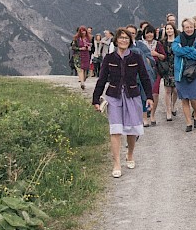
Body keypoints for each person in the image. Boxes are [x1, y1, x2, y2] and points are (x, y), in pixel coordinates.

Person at [91, 28, 152, 178]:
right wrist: (95, 98)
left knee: (131, 130)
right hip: (114, 96)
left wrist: (149, 96)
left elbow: (144, 78)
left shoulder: (136, 57)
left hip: (132, 96)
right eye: (121, 38)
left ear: (130, 41)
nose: (124, 40)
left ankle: (130, 154)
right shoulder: (109, 58)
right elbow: (102, 79)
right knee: (115, 129)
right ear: (116, 40)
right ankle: (116, 163)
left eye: (126, 38)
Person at [173, 18, 196, 132]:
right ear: (183, 28)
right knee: (184, 99)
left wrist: (185, 51)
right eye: (186, 27)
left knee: (194, 97)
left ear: (194, 27)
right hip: (181, 72)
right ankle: (188, 122)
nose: (189, 29)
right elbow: (176, 50)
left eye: (191, 27)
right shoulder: (178, 39)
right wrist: (190, 50)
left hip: (195, 72)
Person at [159, 23, 178, 121]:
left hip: (177, 67)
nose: (169, 30)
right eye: (167, 29)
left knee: (176, 90)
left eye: (171, 29)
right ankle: (168, 111)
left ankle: (173, 105)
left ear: (174, 30)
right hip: (167, 67)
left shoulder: (179, 41)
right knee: (167, 90)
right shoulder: (163, 42)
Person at [71, 26, 92, 91]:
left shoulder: (88, 38)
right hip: (78, 56)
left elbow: (91, 46)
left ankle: (83, 79)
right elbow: (73, 47)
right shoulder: (76, 39)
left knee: (85, 69)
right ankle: (82, 83)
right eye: (82, 31)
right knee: (80, 69)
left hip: (86, 55)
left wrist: (88, 48)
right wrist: (80, 48)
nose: (83, 32)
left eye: (84, 31)